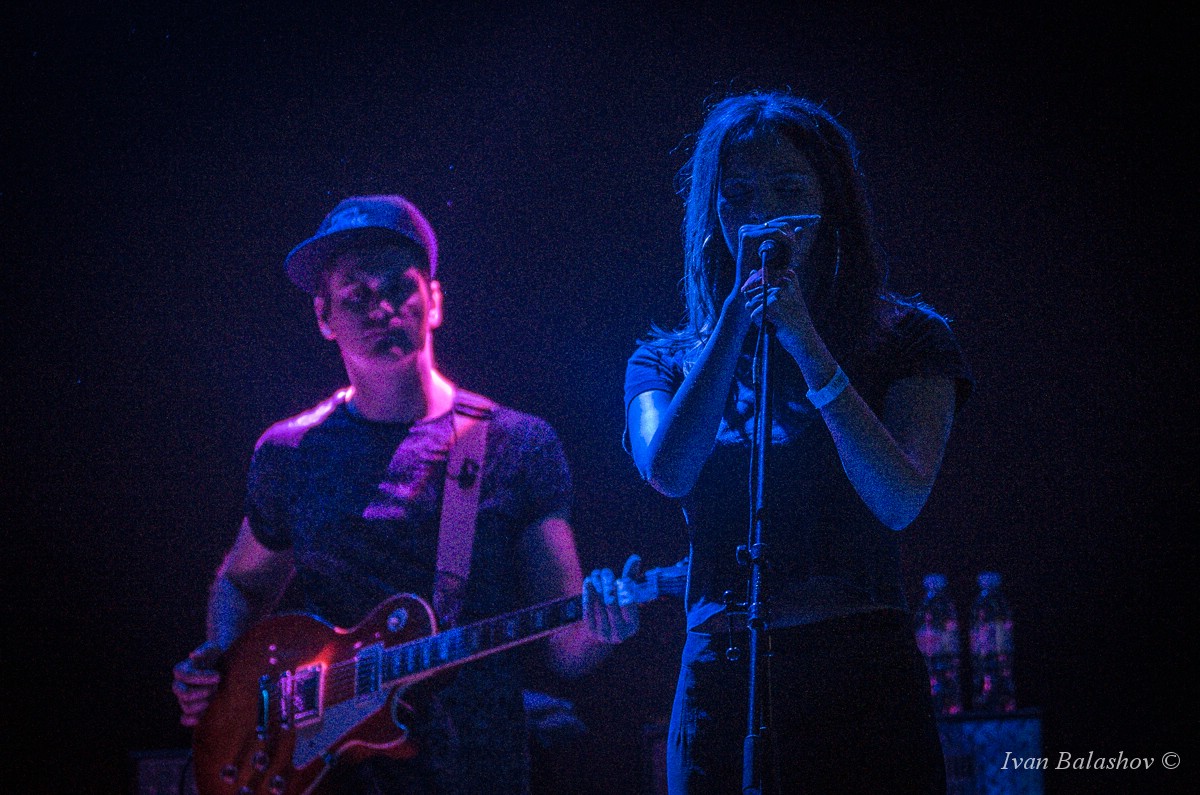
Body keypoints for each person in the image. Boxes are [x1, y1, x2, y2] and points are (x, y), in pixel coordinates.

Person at [173, 194, 639, 794]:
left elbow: (565, 646)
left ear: (434, 301)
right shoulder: (289, 452)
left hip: (477, 774)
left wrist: (605, 626)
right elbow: (242, 582)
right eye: (356, 296)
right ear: (324, 317)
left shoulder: (517, 444)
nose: (382, 308)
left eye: (400, 287)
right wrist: (224, 667)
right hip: (326, 777)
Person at [623, 91, 972, 794]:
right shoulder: (664, 361)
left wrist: (805, 341)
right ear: (713, 213)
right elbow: (669, 469)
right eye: (739, 196)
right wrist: (734, 320)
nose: (763, 214)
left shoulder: (909, 341)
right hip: (723, 676)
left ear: (829, 202)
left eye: (788, 191)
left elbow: (899, 497)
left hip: (861, 676)